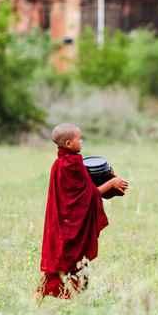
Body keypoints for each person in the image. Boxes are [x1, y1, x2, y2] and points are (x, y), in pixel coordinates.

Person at [39, 123, 128, 299]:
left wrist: (108, 175)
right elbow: (87, 196)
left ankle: (68, 299)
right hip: (72, 225)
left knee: (63, 264)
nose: (82, 142)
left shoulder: (58, 163)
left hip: (62, 223)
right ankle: (63, 297)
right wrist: (111, 183)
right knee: (71, 263)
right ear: (68, 144)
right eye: (79, 139)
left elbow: (84, 188)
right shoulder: (72, 163)